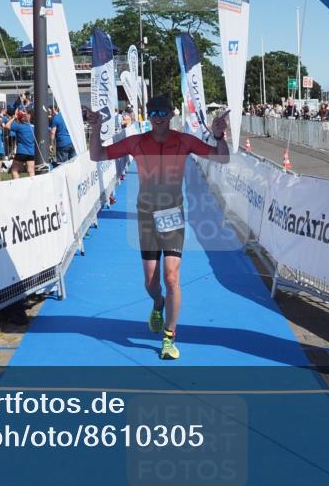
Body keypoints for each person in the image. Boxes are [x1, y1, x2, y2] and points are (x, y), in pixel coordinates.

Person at [88, 94, 230, 361]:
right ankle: (157, 303)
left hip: (172, 215)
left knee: (172, 277)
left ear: (170, 114)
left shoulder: (184, 141)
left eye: (163, 112)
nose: (159, 117)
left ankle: (169, 337)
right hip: (146, 217)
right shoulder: (137, 142)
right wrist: (95, 127)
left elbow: (221, 159)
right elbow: (97, 154)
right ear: (149, 116)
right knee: (151, 282)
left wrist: (220, 137)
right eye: (154, 113)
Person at [4, 109, 36, 178]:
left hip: (21, 151)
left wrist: (14, 117)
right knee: (31, 170)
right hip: (31, 152)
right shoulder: (33, 127)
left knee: (14, 170)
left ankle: (17, 186)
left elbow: (6, 125)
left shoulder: (19, 126)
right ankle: (33, 186)